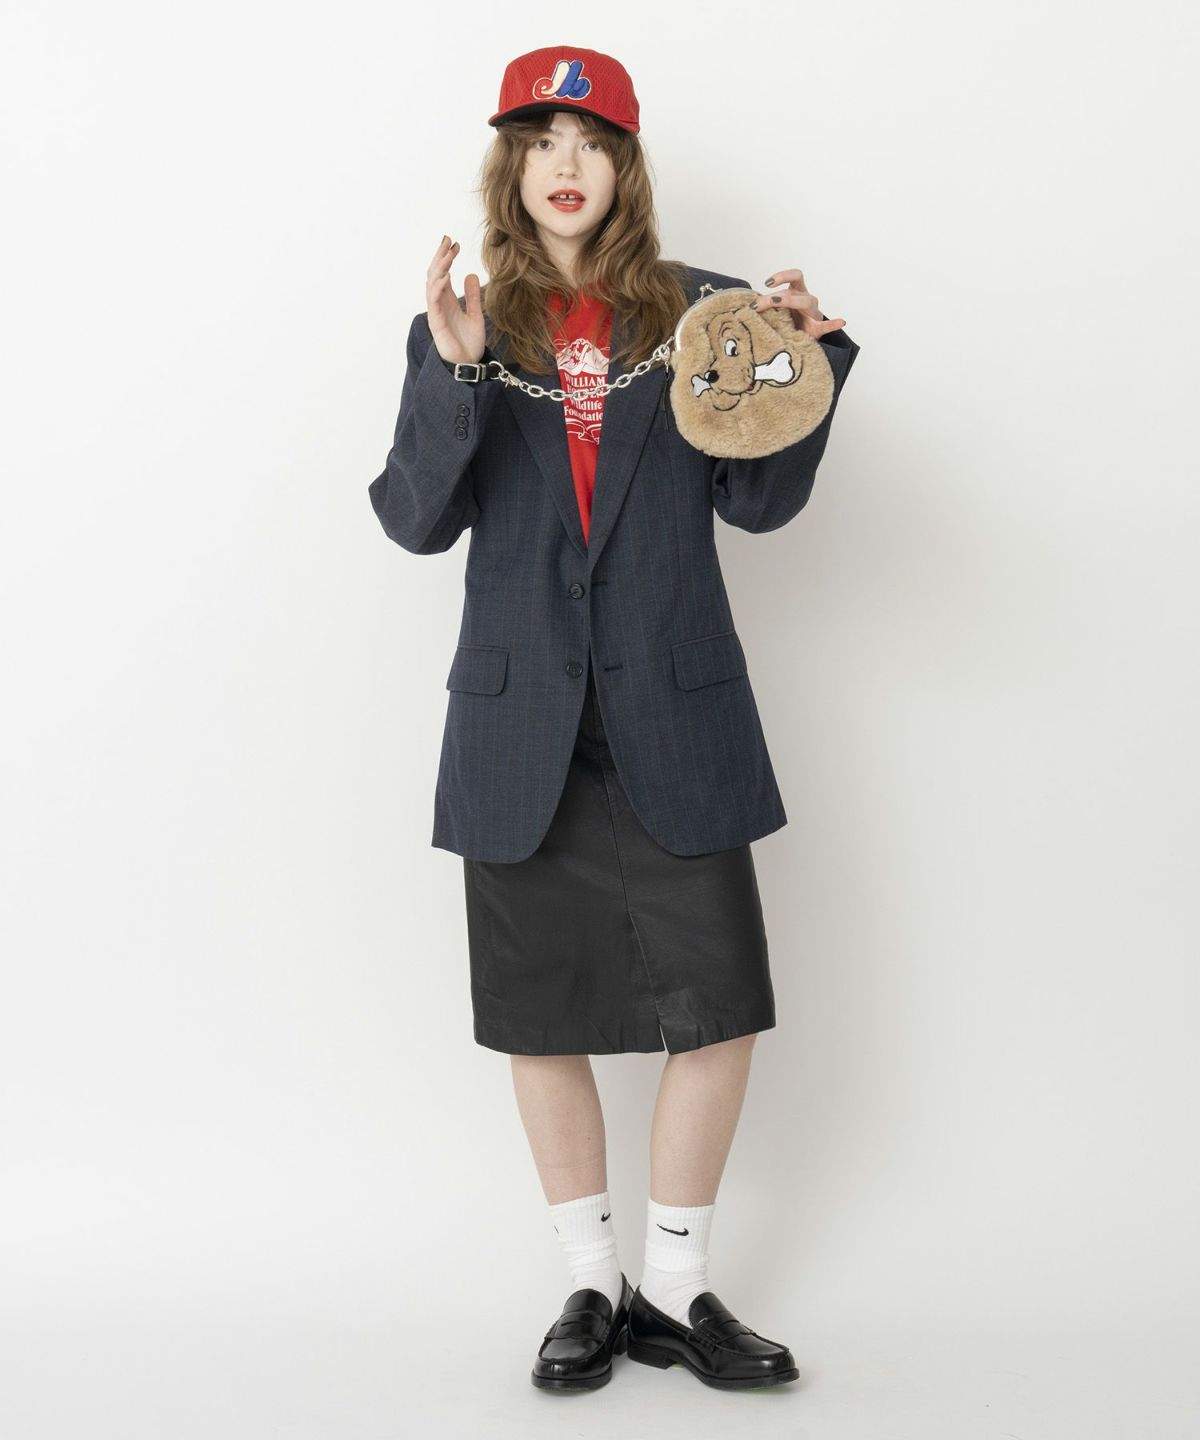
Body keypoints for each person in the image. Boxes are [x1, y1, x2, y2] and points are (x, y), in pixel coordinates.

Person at [368, 45, 860, 1393]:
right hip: (522, 722)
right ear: (511, 166)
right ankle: (591, 1283)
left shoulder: (707, 314)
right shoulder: (464, 324)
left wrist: (806, 364)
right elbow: (413, 520)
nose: (566, 164)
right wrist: (456, 375)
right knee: (542, 1016)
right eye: (541, 140)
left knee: (720, 1007)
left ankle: (680, 1292)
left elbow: (758, 505)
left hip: (674, 715)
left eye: (590, 140)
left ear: (625, 166)